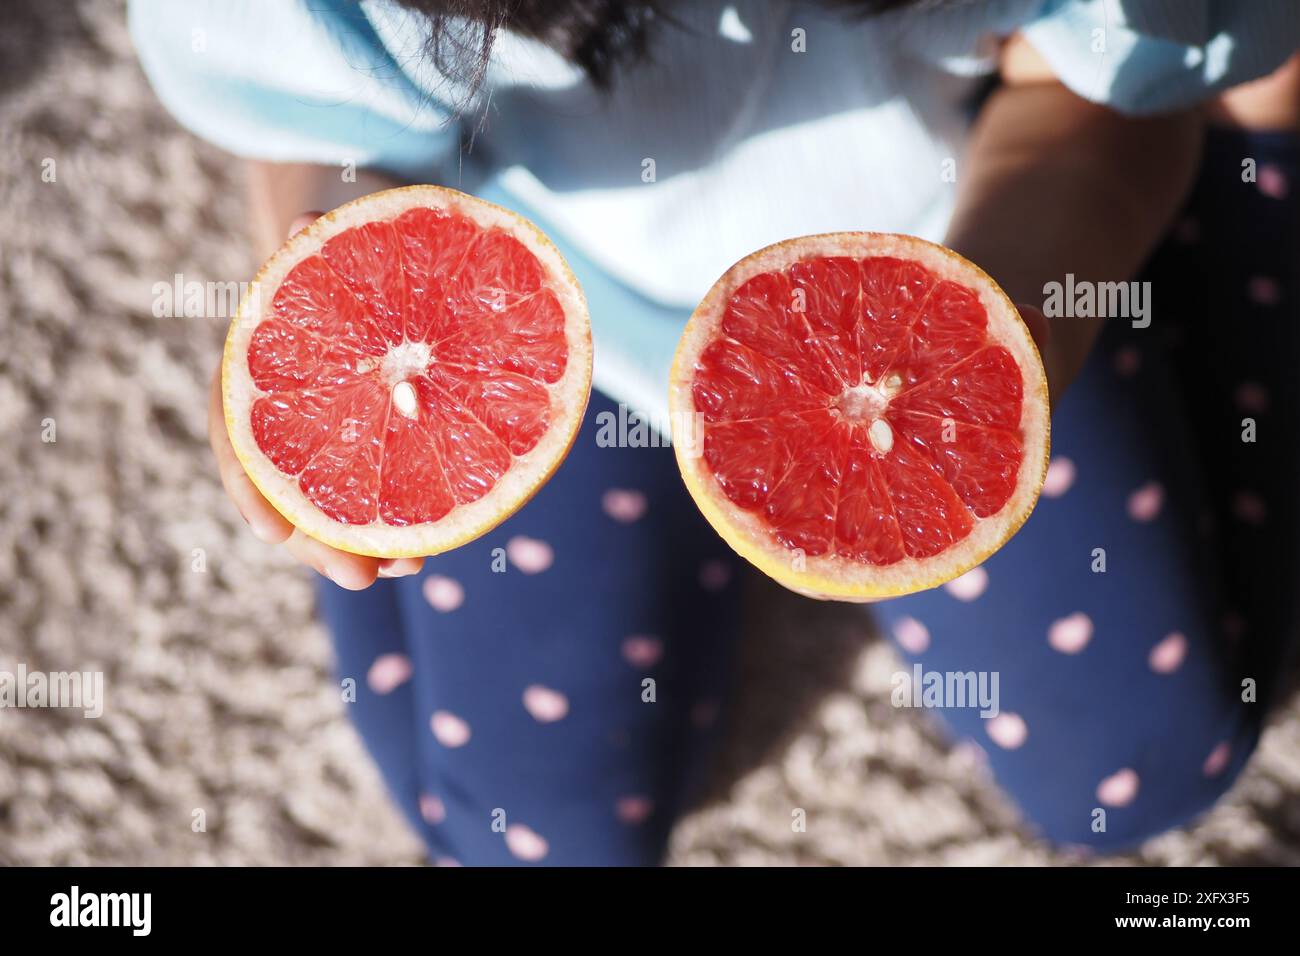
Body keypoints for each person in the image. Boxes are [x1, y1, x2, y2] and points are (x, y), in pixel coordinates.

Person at [130, 0, 1300, 863]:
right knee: (522, 833)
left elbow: (1082, 102)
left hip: (954, 233)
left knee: (1141, 770)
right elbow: (326, 136)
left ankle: (1260, 144)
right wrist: (339, 317)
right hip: (545, 296)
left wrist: (1024, 307)